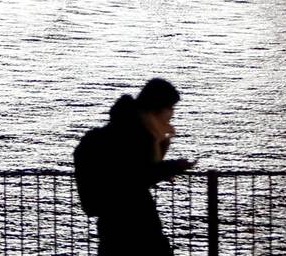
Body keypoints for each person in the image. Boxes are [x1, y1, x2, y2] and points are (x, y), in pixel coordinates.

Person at [74, 78, 195, 255]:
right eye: (169, 107)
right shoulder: (135, 134)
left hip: (113, 224)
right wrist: (170, 167)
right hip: (133, 223)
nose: (171, 113)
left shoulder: (127, 129)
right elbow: (134, 177)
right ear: (157, 107)